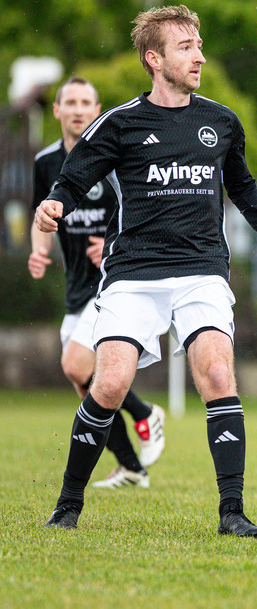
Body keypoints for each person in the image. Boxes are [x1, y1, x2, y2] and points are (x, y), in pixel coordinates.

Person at [36, 5, 257, 536]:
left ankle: (232, 512)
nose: (199, 55)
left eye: (199, 44)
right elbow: (71, 181)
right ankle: (68, 504)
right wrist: (54, 205)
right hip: (133, 274)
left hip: (201, 271)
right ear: (153, 58)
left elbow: (244, 188)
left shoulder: (221, 122)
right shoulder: (118, 124)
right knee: (110, 381)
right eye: (186, 46)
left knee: (216, 372)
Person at [29, 76, 166, 488]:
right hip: (76, 288)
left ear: (97, 109)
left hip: (113, 281)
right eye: (69, 102)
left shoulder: (112, 156)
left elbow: (139, 213)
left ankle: (143, 413)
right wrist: (40, 248)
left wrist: (108, 246)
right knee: (83, 380)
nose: (77, 109)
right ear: (57, 111)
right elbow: (44, 212)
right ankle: (131, 467)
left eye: (85, 102)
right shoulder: (45, 163)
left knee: (74, 363)